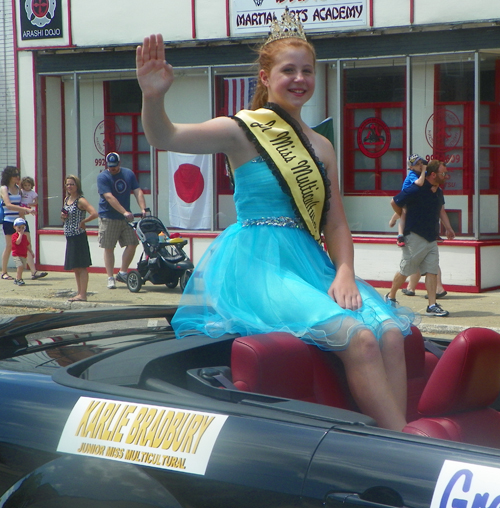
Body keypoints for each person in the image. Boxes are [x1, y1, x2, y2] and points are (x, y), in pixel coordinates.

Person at [136, 12, 416, 431]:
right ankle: (405, 446)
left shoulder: (322, 145)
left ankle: (401, 436)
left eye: (307, 70)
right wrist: (153, 97)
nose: (299, 78)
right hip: (258, 264)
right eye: (289, 70)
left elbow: (335, 223)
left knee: (392, 335)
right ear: (265, 77)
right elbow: (166, 137)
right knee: (357, 337)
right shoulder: (241, 130)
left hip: (310, 261)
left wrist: (344, 271)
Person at [386, 160, 455, 317]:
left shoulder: (439, 192)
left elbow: (441, 211)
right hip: (414, 237)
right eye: (443, 173)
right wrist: (404, 213)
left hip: (431, 238)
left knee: (432, 271)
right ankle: (391, 297)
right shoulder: (416, 189)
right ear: (432, 174)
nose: (445, 176)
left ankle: (432, 305)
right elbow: (394, 201)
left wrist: (449, 228)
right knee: (405, 270)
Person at [97, 152, 147, 289]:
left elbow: (137, 191)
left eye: (115, 166)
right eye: (110, 166)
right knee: (109, 247)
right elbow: (109, 197)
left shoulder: (128, 174)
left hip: (125, 218)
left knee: (132, 243)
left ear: (119, 163)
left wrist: (143, 209)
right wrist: (124, 211)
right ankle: (110, 277)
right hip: (108, 217)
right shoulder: (103, 177)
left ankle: (122, 272)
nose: (112, 169)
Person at [1, 166, 47, 281]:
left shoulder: (19, 189)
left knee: (27, 245)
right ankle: (4, 272)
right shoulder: (4, 188)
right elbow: (8, 204)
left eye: (18, 175)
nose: (17, 177)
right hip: (9, 221)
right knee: (10, 246)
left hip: (20, 220)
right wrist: (26, 210)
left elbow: (23, 204)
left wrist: (30, 206)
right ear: (9, 176)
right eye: (15, 175)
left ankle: (33, 271)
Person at [62, 175, 98, 302]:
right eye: (67, 184)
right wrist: (63, 217)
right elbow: (66, 215)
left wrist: (84, 221)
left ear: (77, 186)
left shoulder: (80, 200)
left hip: (78, 236)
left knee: (82, 266)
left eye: (72, 184)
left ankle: (83, 294)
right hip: (69, 236)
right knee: (75, 267)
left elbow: (94, 213)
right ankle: (79, 293)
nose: (69, 187)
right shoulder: (67, 199)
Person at [389, 154, 427, 247]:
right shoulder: (412, 174)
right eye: (417, 164)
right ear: (411, 167)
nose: (420, 165)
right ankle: (400, 235)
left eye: (421, 163)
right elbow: (420, 183)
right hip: (406, 197)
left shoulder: (422, 172)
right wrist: (424, 171)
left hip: (414, 197)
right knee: (404, 215)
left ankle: (392, 219)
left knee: (402, 213)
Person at [11, 218, 31, 286]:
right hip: (16, 254)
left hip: (23, 254)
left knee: (22, 267)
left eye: (22, 228)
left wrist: (31, 252)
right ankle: (19, 279)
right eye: (19, 227)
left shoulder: (24, 236)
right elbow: (17, 242)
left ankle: (17, 278)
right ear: (14, 227)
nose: (21, 229)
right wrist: (20, 235)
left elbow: (27, 245)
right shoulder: (14, 236)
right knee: (20, 266)